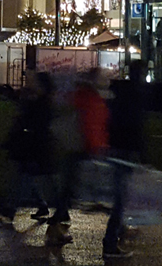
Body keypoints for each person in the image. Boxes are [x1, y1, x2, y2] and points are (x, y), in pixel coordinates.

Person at [49, 67, 110, 229]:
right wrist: (97, 147)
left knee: (72, 186)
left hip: (81, 147)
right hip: (85, 148)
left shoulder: (83, 95)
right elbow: (91, 125)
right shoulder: (89, 97)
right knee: (94, 189)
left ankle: (59, 217)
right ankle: (119, 228)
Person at [0, 71, 55, 226]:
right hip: (33, 146)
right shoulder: (40, 100)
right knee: (28, 177)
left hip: (32, 146)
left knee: (23, 178)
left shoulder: (41, 102)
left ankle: (11, 209)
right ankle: (42, 205)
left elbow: (32, 122)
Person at [103, 59, 147, 259]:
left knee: (120, 193)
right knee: (121, 198)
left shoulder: (119, 93)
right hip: (126, 149)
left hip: (116, 147)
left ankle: (118, 230)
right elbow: (137, 127)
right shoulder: (137, 94)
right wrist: (142, 153)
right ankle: (110, 241)